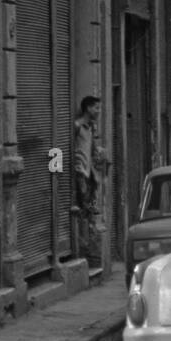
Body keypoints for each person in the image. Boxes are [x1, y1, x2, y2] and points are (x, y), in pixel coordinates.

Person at [72, 95, 105, 265]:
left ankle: (90, 252)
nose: (99, 111)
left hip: (90, 177)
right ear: (88, 108)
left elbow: (91, 151)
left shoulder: (90, 128)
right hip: (81, 176)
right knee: (83, 212)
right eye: (96, 108)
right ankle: (83, 251)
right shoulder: (77, 126)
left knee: (91, 212)